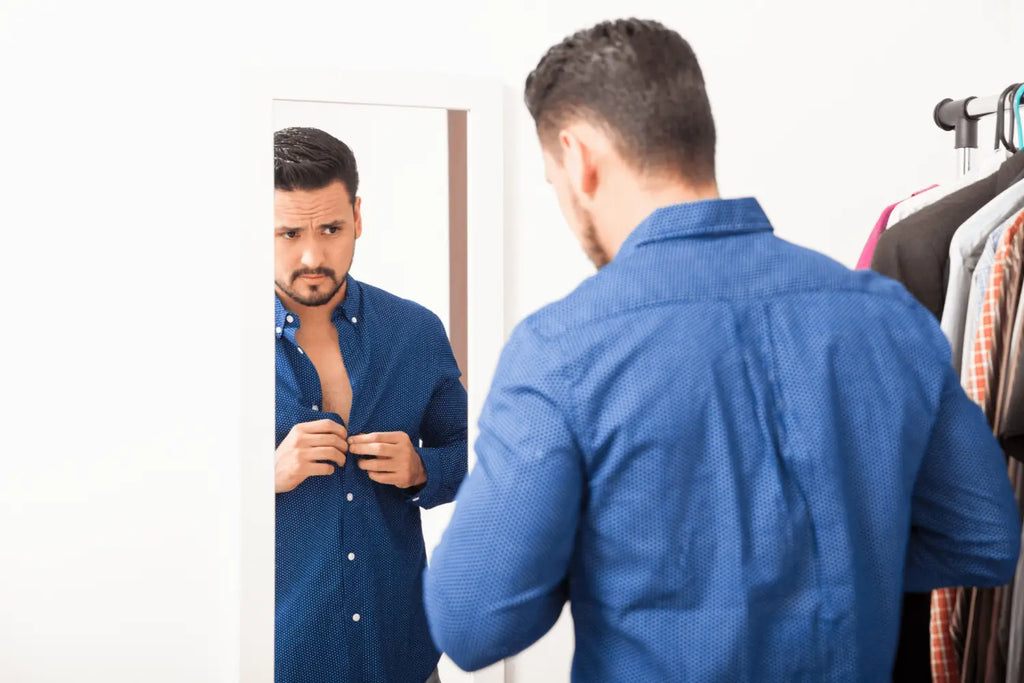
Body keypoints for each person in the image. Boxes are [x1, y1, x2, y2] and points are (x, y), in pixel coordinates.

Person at [423, 18, 1021, 681]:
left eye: (553, 181)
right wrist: (833, 562)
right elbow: (984, 539)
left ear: (578, 157)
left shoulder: (562, 348)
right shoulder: (888, 317)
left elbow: (471, 622)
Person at [273, 127, 465, 683]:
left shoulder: (415, 330)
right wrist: (264, 474)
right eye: (287, 233)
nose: (312, 255)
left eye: (331, 228)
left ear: (358, 216)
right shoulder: (219, 345)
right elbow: (172, 495)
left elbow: (478, 454)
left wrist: (425, 468)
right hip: (279, 657)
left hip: (400, 651)